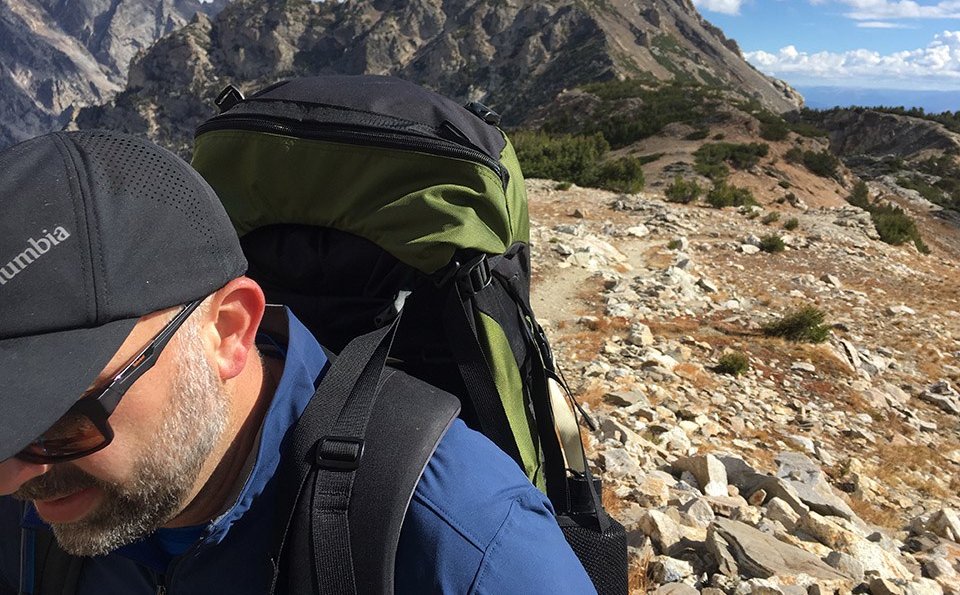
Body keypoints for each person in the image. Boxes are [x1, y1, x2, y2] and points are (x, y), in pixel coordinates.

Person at [0, 130, 597, 594]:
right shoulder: (47, 501)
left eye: (61, 420)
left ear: (228, 332)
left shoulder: (468, 549)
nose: (9, 478)